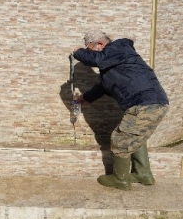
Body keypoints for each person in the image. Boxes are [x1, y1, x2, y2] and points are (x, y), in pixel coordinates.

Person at [72, 30, 169, 190]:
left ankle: (120, 179)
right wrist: (85, 98)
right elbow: (103, 87)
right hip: (153, 103)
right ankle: (143, 174)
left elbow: (96, 59)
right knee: (134, 137)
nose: (89, 53)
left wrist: (78, 52)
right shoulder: (114, 62)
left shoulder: (119, 47)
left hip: (145, 104)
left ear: (99, 44)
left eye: (89, 49)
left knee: (120, 140)